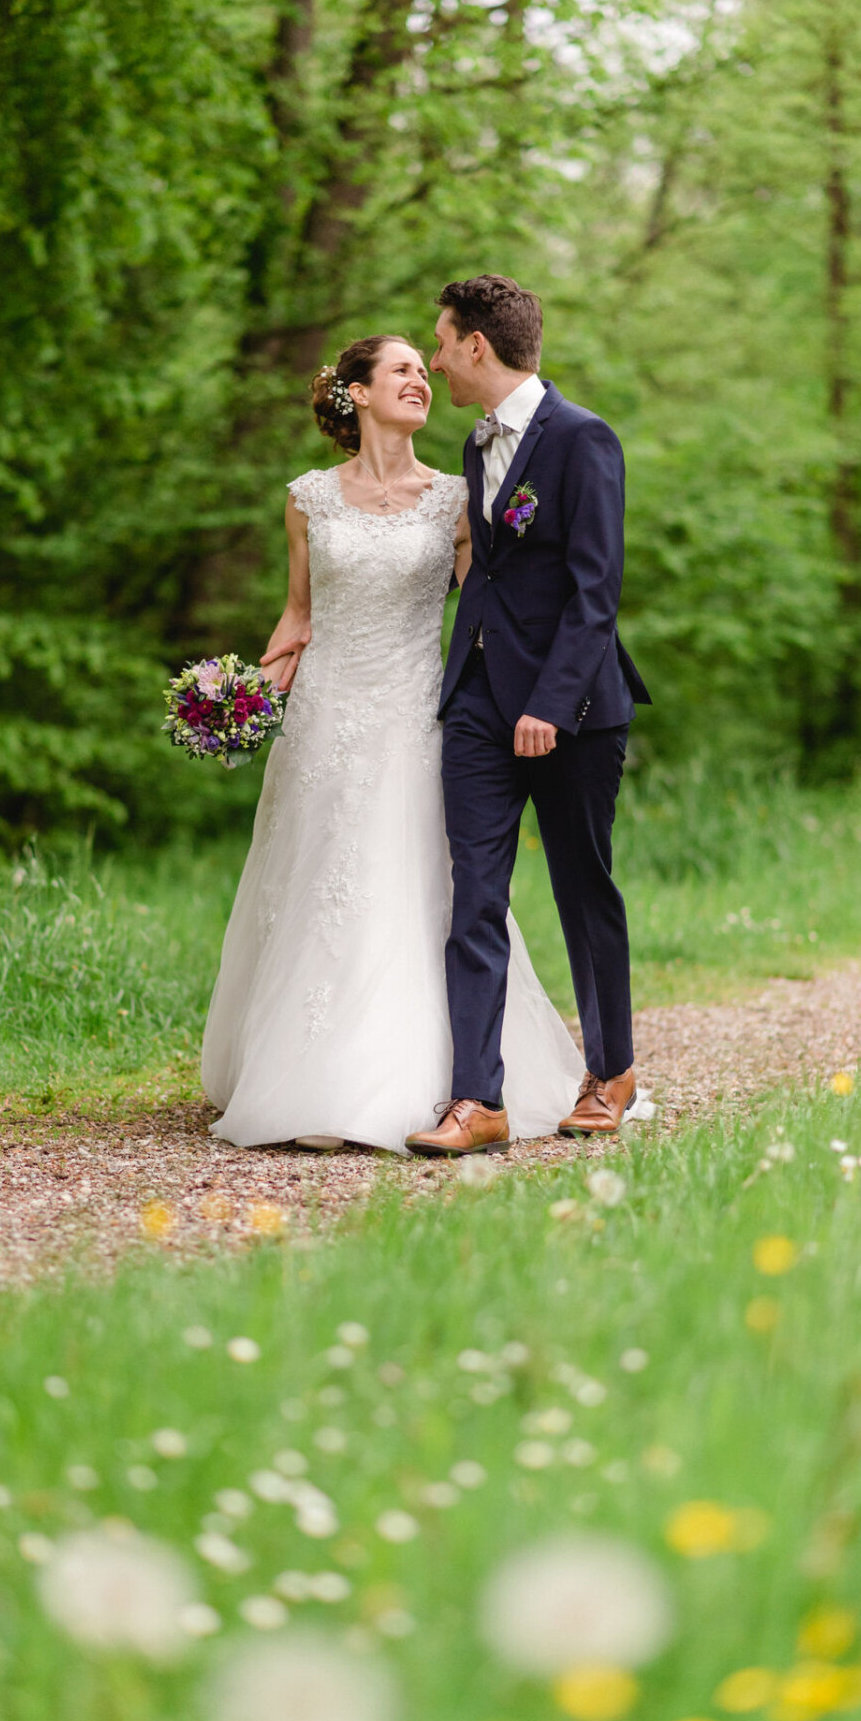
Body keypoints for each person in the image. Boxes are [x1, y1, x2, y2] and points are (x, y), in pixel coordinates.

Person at [200, 333, 583, 1152]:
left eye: (424, 367)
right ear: (357, 393)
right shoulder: (307, 497)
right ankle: (307, 1077)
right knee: (321, 884)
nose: (422, 379)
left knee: (416, 884)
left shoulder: (454, 498)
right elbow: (298, 618)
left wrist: (533, 694)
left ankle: (422, 1081)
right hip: (325, 719)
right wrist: (237, 702)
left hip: (417, 715)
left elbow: (488, 610)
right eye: (403, 369)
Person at [405, 276, 650, 1156]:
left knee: (584, 886)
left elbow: (596, 588)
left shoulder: (584, 439)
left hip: (572, 706)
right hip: (475, 702)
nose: (434, 358)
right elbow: (491, 575)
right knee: (474, 893)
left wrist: (551, 703)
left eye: (441, 340)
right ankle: (480, 1099)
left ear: (478, 344)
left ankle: (611, 1071)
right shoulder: (476, 448)